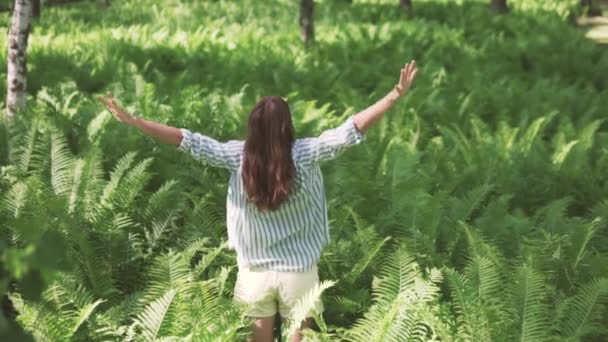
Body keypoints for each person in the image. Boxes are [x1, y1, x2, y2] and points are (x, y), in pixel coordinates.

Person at [98, 60, 418, 342]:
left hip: (253, 276)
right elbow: (351, 129)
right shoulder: (306, 154)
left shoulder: (236, 156)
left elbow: (186, 140)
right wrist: (394, 95)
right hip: (300, 275)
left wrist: (135, 122)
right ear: (287, 126)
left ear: (253, 127)